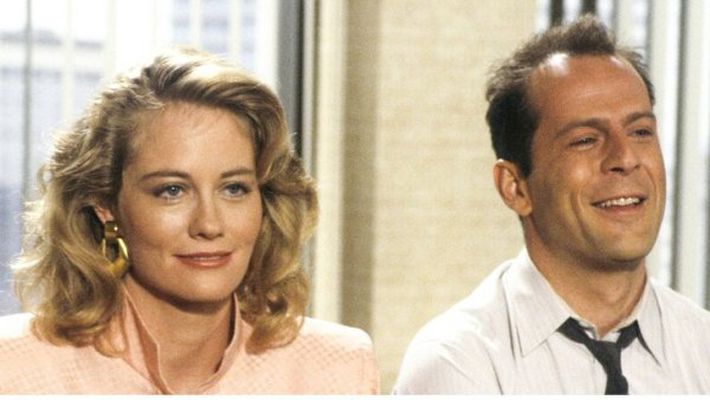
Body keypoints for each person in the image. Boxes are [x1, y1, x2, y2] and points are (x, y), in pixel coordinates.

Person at [0, 48, 379, 394]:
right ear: (105, 205)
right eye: (172, 191)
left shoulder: (337, 367)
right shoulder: (15, 367)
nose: (209, 225)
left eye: (233, 188)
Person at [394, 15, 710, 395]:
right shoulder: (458, 362)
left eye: (641, 132)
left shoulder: (702, 348)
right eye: (585, 140)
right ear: (515, 188)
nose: (625, 158)